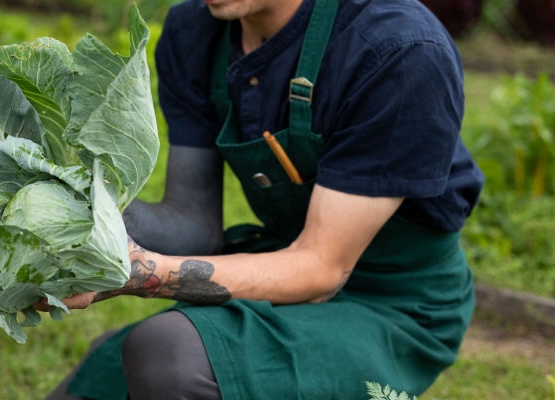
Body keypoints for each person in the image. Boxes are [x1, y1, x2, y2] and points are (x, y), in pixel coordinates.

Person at [40, 0, 485, 398]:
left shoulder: (398, 51)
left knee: (167, 355)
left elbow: (321, 268)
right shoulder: (194, 32)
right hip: (276, 266)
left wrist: (134, 274)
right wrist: (86, 216)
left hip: (395, 305)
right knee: (105, 373)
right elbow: (194, 223)